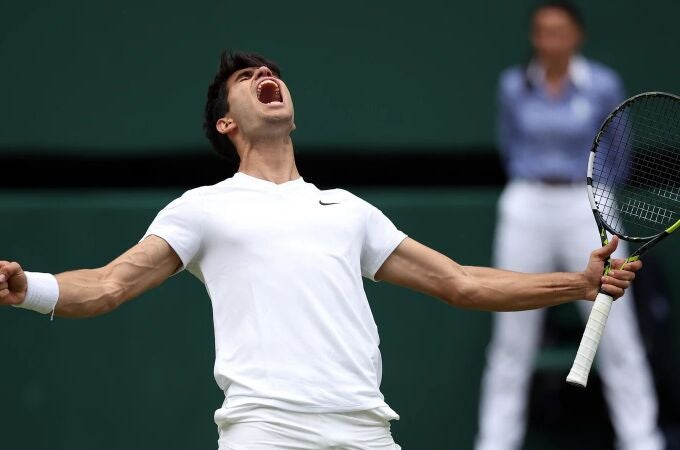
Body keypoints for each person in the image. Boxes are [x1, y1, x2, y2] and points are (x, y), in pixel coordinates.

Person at [0, 51, 641, 450]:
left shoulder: (350, 211)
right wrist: (29, 288)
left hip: (366, 430)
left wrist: (577, 286)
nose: (266, 77)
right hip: (267, 432)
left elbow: (462, 283)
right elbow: (110, 284)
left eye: (272, 72)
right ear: (227, 124)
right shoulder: (201, 208)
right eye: (248, 78)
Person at [474, 3, 664, 450]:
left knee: (615, 330)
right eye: (542, 32)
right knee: (511, 332)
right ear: (534, 38)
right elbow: (510, 144)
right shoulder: (513, 85)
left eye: (559, 31)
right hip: (527, 202)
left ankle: (643, 441)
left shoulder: (602, 84)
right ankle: (495, 442)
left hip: (589, 204)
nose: (550, 41)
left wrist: (597, 200)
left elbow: (619, 149)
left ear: (576, 36)